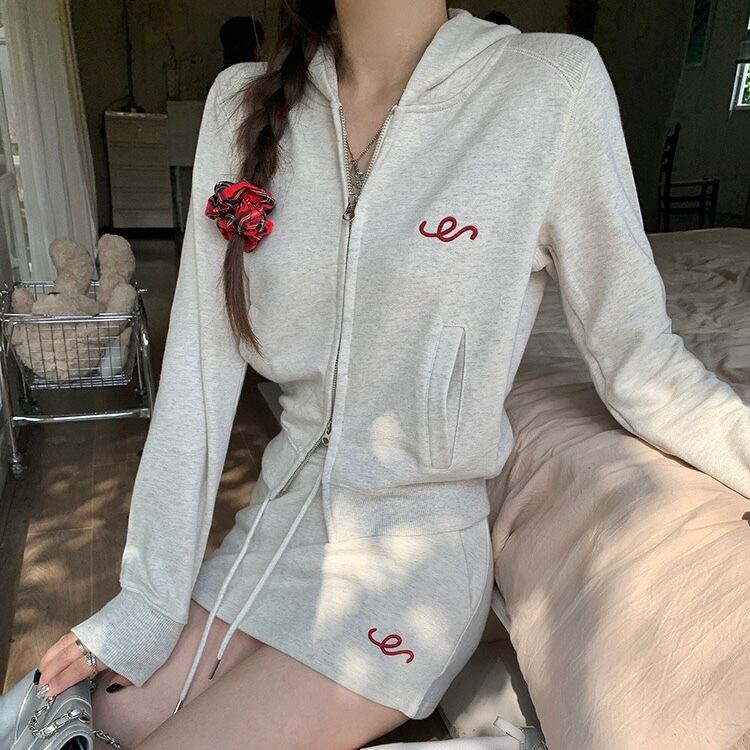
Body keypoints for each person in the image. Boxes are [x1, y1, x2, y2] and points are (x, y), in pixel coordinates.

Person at [6, 1, 750, 748]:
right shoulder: (240, 104)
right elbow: (196, 388)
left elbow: (640, 362)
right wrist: (148, 600)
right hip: (268, 536)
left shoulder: (549, 86)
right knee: (63, 721)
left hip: (412, 567)